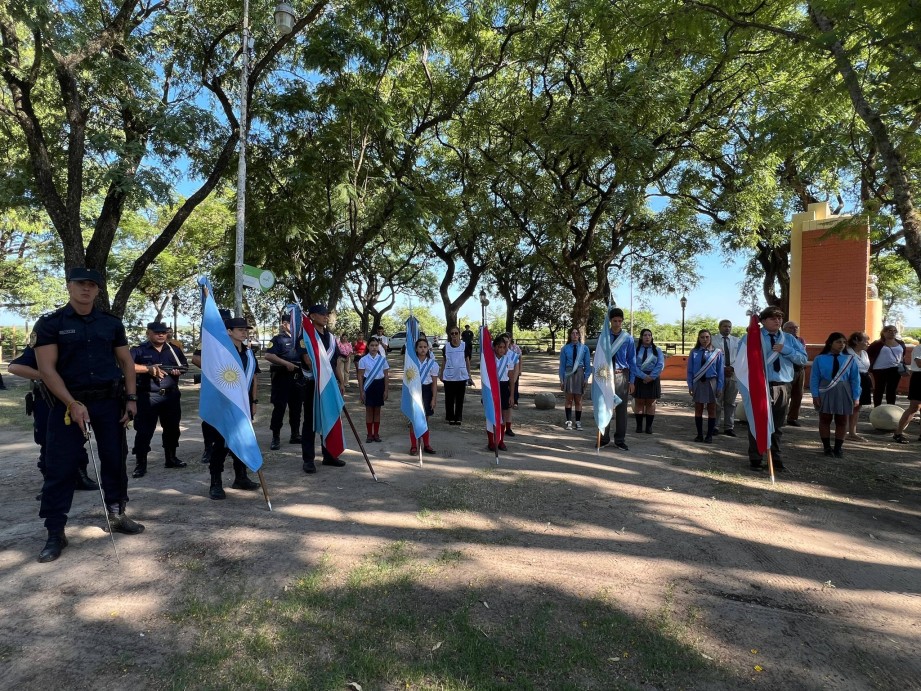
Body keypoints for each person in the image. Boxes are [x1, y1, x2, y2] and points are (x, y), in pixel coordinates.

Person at [32, 267, 143, 563]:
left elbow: (126, 363)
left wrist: (131, 399)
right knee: (61, 467)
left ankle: (117, 513)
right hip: (67, 405)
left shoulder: (111, 323)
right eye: (81, 283)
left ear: (98, 290)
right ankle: (55, 531)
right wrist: (71, 403)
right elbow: (47, 370)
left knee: (115, 460)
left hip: (109, 403)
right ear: (69, 286)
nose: (86, 289)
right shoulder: (51, 323)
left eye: (92, 285)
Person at [9, 345, 99, 499]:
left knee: (78, 437)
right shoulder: (45, 341)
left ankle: (80, 477)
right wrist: (47, 376)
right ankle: (50, 484)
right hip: (47, 401)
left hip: (77, 397)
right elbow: (14, 367)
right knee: (49, 442)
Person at [739, 306, 808, 472]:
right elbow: (741, 360)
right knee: (757, 422)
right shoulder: (752, 337)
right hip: (760, 386)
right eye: (772, 318)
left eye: (779, 318)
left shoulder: (789, 339)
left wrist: (786, 350)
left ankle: (775, 459)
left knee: (777, 425)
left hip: (782, 386)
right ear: (763, 321)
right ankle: (756, 458)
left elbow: (803, 359)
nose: (777, 321)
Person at [206, 316, 261, 499]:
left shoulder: (249, 353)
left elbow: (254, 378)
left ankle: (241, 477)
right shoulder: (220, 352)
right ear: (229, 331)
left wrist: (254, 402)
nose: (244, 333)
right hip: (224, 405)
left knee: (243, 440)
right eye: (240, 330)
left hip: (244, 404)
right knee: (221, 444)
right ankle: (215, 482)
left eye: (246, 330)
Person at [129, 321, 188, 478]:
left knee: (172, 429)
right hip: (147, 396)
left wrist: (177, 371)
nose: (161, 335)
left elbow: (184, 366)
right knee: (144, 431)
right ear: (148, 333)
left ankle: (171, 458)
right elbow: (128, 366)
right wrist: (148, 369)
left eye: (164, 332)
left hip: (170, 395)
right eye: (157, 332)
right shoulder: (138, 350)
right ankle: (141, 464)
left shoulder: (174, 350)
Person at [298, 304, 346, 473]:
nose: (326, 317)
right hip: (313, 384)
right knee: (311, 421)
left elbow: (337, 363)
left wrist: (341, 382)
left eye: (327, 314)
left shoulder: (331, 338)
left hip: (330, 384)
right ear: (312, 316)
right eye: (322, 314)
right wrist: (321, 375)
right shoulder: (306, 335)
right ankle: (308, 459)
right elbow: (307, 359)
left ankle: (329, 455)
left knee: (330, 416)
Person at [810, 332, 860, 458]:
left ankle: (838, 448)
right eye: (838, 342)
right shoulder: (820, 359)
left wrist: (856, 396)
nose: (842, 345)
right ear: (830, 343)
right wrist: (815, 395)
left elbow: (855, 379)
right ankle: (827, 447)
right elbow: (814, 378)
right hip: (825, 390)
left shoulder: (850, 359)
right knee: (825, 418)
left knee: (842, 420)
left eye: (844, 342)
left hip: (844, 390)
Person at [191, 307, 232, 464]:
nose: (224, 324)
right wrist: (215, 371)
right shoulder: (208, 339)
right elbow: (196, 358)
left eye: (226, 322)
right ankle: (209, 448)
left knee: (230, 415)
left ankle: (229, 445)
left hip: (231, 384)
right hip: (213, 383)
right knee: (210, 417)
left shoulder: (235, 339)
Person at [263, 313, 303, 451]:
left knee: (296, 408)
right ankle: (276, 436)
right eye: (292, 323)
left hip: (298, 378)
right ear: (285, 324)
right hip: (282, 378)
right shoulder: (278, 339)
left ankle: (295, 434)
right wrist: (286, 363)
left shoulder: (301, 339)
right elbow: (268, 355)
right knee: (279, 408)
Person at [599, 307, 636, 451]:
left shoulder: (627, 338)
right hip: (605, 374)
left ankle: (620, 440)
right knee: (605, 405)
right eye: (614, 321)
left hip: (621, 374)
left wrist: (632, 380)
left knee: (621, 408)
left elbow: (632, 360)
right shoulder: (604, 336)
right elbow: (599, 357)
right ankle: (603, 438)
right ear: (610, 321)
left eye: (620, 321)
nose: (617, 324)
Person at [686, 329, 724, 443]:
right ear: (698, 338)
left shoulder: (717, 352)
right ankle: (699, 435)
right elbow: (690, 370)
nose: (705, 339)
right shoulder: (694, 352)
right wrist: (690, 385)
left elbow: (720, 371)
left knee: (712, 409)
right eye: (702, 337)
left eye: (707, 337)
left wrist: (720, 386)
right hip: (698, 382)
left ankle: (709, 435)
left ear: (710, 338)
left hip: (711, 382)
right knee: (698, 408)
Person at [487, 334, 519, 450]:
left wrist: (512, 395)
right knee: (491, 416)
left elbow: (511, 378)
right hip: (492, 388)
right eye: (499, 347)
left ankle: (500, 441)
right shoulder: (489, 360)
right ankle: (491, 442)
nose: (501, 349)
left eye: (503, 347)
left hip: (504, 387)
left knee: (503, 416)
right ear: (494, 347)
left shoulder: (508, 359)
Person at [409, 337, 439, 455]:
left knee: (425, 420)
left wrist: (434, 398)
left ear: (428, 349)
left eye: (425, 347)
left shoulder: (433, 364)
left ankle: (426, 444)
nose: (423, 349)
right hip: (414, 392)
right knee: (413, 420)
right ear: (416, 349)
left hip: (427, 392)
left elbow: (434, 383)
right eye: (420, 347)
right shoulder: (411, 363)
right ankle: (414, 446)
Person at [632, 328, 664, 434]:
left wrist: (651, 377)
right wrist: (643, 376)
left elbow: (660, 365)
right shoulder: (636, 350)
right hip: (639, 377)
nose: (647, 337)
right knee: (639, 402)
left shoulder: (657, 350)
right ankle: (639, 426)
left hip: (653, 378)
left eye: (649, 335)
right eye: (645, 335)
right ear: (641, 337)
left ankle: (649, 427)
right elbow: (633, 365)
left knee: (651, 402)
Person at [357, 336, 389, 442]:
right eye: (372, 345)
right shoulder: (363, 360)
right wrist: (361, 391)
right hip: (368, 386)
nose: (374, 347)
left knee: (378, 410)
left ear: (378, 346)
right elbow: (360, 376)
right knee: (369, 410)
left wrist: (386, 390)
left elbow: (386, 375)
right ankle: (369, 434)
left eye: (376, 345)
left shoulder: (382, 360)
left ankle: (376, 433)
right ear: (368, 346)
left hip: (379, 385)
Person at [559, 327, 592, 431]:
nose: (575, 335)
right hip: (568, 374)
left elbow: (588, 365)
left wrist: (586, 378)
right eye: (573, 333)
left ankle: (578, 422)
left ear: (579, 335)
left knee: (578, 400)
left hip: (580, 374)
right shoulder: (565, 348)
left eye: (577, 333)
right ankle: (569, 421)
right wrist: (561, 380)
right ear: (570, 335)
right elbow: (562, 366)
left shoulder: (584, 348)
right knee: (569, 399)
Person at [867, 325, 906, 406]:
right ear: (884, 332)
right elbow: (868, 354)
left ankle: (890, 408)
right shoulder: (877, 344)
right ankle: (877, 408)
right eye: (890, 331)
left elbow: (903, 355)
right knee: (879, 389)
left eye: (894, 331)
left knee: (892, 390)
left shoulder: (900, 343)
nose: (893, 333)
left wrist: (902, 365)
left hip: (895, 369)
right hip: (880, 369)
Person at [714, 320, 740, 436]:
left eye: (729, 326)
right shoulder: (713, 340)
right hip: (718, 374)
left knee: (731, 402)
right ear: (719, 327)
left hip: (733, 374)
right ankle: (714, 426)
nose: (727, 328)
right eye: (725, 326)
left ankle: (729, 427)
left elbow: (741, 357)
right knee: (717, 402)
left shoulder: (737, 341)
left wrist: (732, 368)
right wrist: (723, 368)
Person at [441, 326, 471, 425]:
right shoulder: (446, 347)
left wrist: (469, 374)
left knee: (459, 399)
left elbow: (467, 360)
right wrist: (441, 373)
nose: (454, 335)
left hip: (461, 376)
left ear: (459, 334)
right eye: (452, 333)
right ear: (450, 335)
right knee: (449, 398)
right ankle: (450, 417)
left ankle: (458, 417)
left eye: (456, 333)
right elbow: (444, 360)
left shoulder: (464, 346)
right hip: (449, 377)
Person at [845, 332, 871, 441]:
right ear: (856, 340)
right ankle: (843, 431)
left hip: (864, 379)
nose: (868, 343)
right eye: (865, 340)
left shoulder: (864, 353)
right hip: (851, 380)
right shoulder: (847, 352)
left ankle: (852, 432)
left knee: (857, 407)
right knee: (848, 406)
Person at [892, 344, 921, 444]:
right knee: (914, 407)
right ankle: (898, 433)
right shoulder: (919, 348)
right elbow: (919, 363)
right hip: (919, 378)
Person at [783, 321, 807, 426]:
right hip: (788, 369)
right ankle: (781, 418)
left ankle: (792, 418)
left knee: (798, 395)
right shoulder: (782, 339)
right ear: (784, 329)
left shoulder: (800, 340)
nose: (795, 329)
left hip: (800, 369)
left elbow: (802, 354)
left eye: (796, 327)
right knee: (785, 395)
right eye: (791, 328)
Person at [499, 333, 521, 437]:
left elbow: (516, 370)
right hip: (501, 382)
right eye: (503, 341)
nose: (505, 344)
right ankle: (499, 426)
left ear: (509, 341)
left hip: (511, 382)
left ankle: (508, 427)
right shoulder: (498, 353)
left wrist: (512, 383)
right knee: (501, 406)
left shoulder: (513, 355)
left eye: (506, 342)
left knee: (509, 406)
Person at [509, 336, 523, 408]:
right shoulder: (503, 348)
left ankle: (515, 401)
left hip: (515, 369)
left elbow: (520, 359)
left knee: (515, 384)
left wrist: (520, 370)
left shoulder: (516, 347)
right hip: (507, 369)